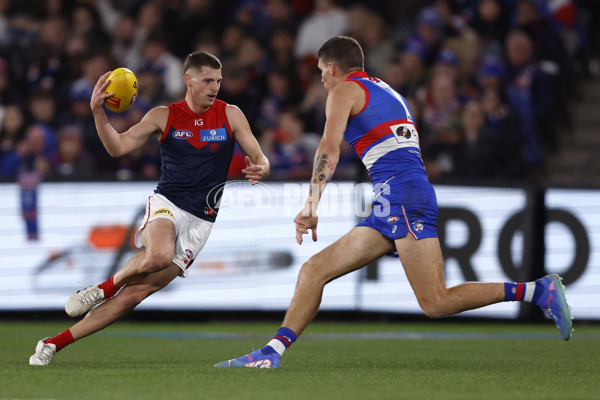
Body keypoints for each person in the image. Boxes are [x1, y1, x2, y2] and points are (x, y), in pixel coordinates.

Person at [215, 36, 573, 369]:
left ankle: (537, 290)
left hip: (400, 195)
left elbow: (328, 146)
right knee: (314, 270)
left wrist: (311, 203)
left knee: (436, 301)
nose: (322, 80)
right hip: (396, 197)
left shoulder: (344, 90)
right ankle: (271, 353)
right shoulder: (386, 91)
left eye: (322, 72)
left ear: (334, 69)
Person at [29, 51, 270, 366]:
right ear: (189, 80)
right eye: (208, 80)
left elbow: (259, 156)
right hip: (167, 203)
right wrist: (98, 112)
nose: (215, 87)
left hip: (201, 220)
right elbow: (117, 147)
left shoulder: (231, 114)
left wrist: (261, 168)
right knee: (156, 255)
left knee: (131, 297)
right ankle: (102, 288)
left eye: (219, 81)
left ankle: (52, 343)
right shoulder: (163, 115)